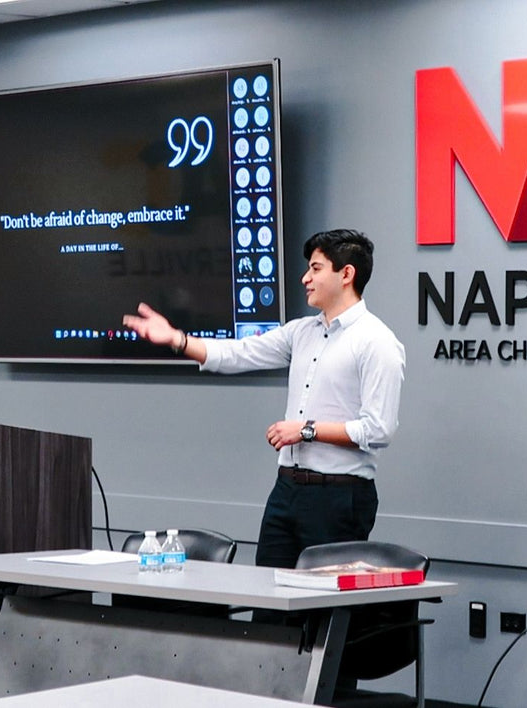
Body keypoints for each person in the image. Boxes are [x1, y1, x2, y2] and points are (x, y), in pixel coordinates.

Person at [122, 229, 405, 570]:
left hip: (340, 496)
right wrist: (177, 340)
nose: (305, 278)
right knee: (267, 594)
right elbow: (239, 353)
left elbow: (378, 430)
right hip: (286, 489)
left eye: (315, 269)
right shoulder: (301, 332)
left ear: (346, 274)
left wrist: (307, 430)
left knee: (323, 598)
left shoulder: (377, 342)